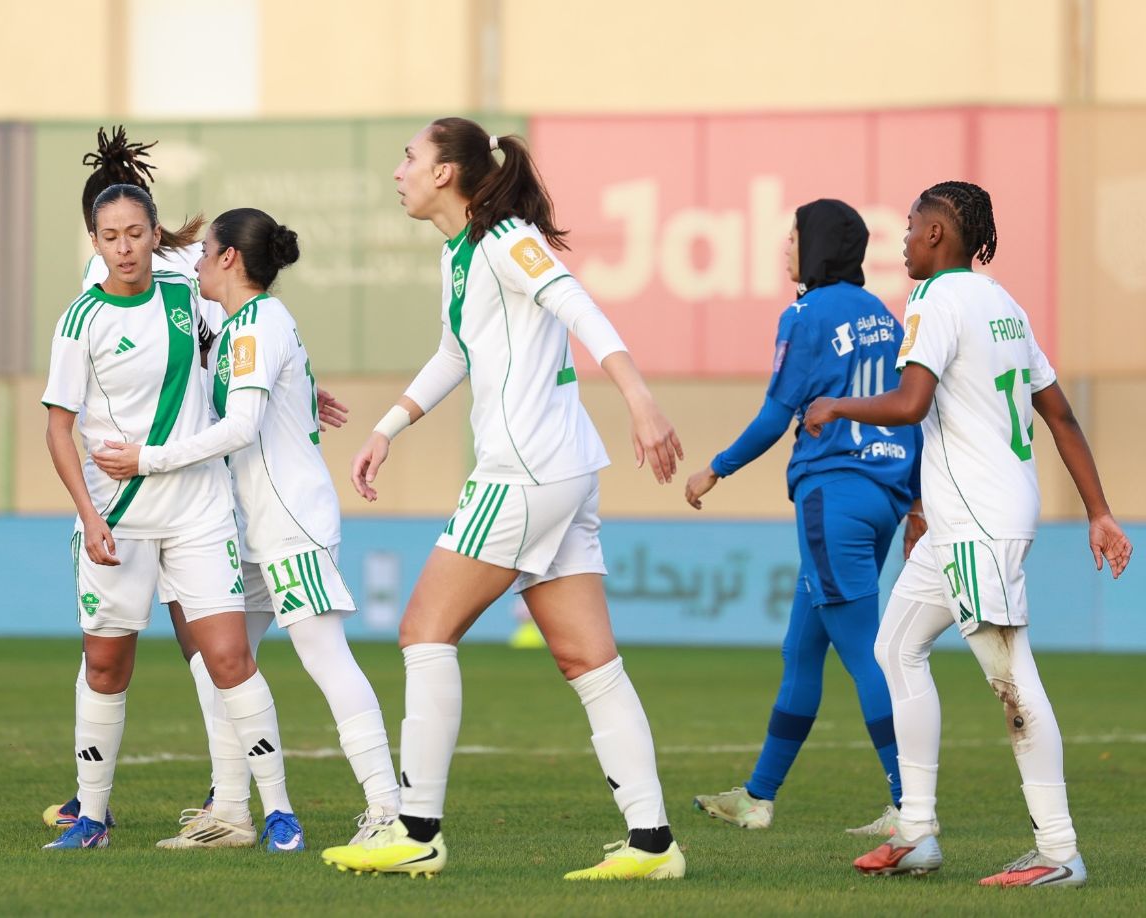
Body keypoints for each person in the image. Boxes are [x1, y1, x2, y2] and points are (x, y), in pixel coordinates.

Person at [320, 117, 686, 881]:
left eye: (410, 157)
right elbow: (458, 351)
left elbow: (574, 301)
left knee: (424, 630)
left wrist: (640, 398)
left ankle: (414, 829)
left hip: (523, 472)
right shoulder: (462, 255)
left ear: (447, 172)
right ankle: (654, 845)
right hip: (560, 470)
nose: (400, 170)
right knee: (587, 658)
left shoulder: (504, 239)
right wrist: (388, 427)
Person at [803, 180, 1132, 886]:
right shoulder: (1003, 303)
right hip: (967, 521)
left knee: (1012, 679)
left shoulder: (936, 300)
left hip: (980, 523)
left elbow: (910, 401)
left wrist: (837, 404)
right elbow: (1061, 416)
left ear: (936, 236)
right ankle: (916, 831)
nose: (903, 236)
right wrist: (1099, 511)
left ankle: (1058, 851)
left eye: (913, 222)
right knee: (896, 648)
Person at [45, 129, 347, 834]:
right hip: (119, 510)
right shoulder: (85, 310)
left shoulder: (189, 288)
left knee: (221, 654)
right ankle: (96, 810)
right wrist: (89, 515)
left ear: (154, 233)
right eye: (109, 234)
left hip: (198, 506)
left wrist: (302, 384)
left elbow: (245, 337)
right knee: (110, 661)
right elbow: (58, 423)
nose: (124, 245)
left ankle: (257, 807)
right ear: (95, 239)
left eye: (135, 232)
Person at [93, 207, 401, 847]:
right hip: (252, 529)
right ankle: (232, 811)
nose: (198, 264)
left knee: (324, 656)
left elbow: (241, 427)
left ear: (230, 258)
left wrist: (147, 461)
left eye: (205, 253)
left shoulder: (257, 325)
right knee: (220, 664)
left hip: (290, 523)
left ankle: (388, 813)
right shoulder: (245, 326)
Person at [685, 200, 918, 835]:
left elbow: (776, 411)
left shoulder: (806, 315)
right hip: (884, 495)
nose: (784, 246)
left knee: (867, 653)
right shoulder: (885, 318)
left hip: (833, 493)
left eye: (791, 235)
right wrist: (915, 496)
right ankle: (758, 797)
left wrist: (717, 467)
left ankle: (910, 807)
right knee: (802, 650)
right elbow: (912, 409)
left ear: (813, 245)